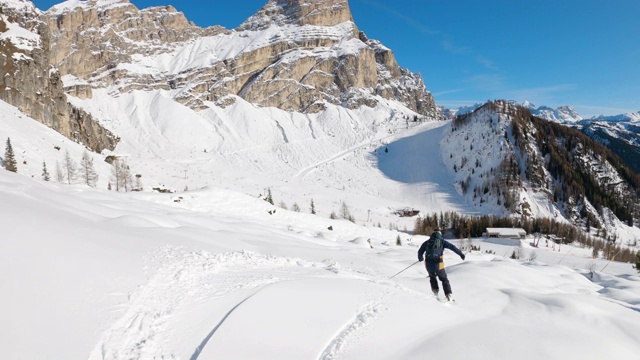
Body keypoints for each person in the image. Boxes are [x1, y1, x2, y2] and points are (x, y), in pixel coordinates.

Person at [417, 229, 465, 301]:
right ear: (440, 234)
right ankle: (448, 295)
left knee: (432, 278)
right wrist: (461, 254)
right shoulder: (442, 241)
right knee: (444, 279)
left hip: (428, 265)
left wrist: (420, 258)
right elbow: (453, 247)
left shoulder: (427, 242)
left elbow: (420, 251)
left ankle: (435, 294)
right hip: (438, 264)